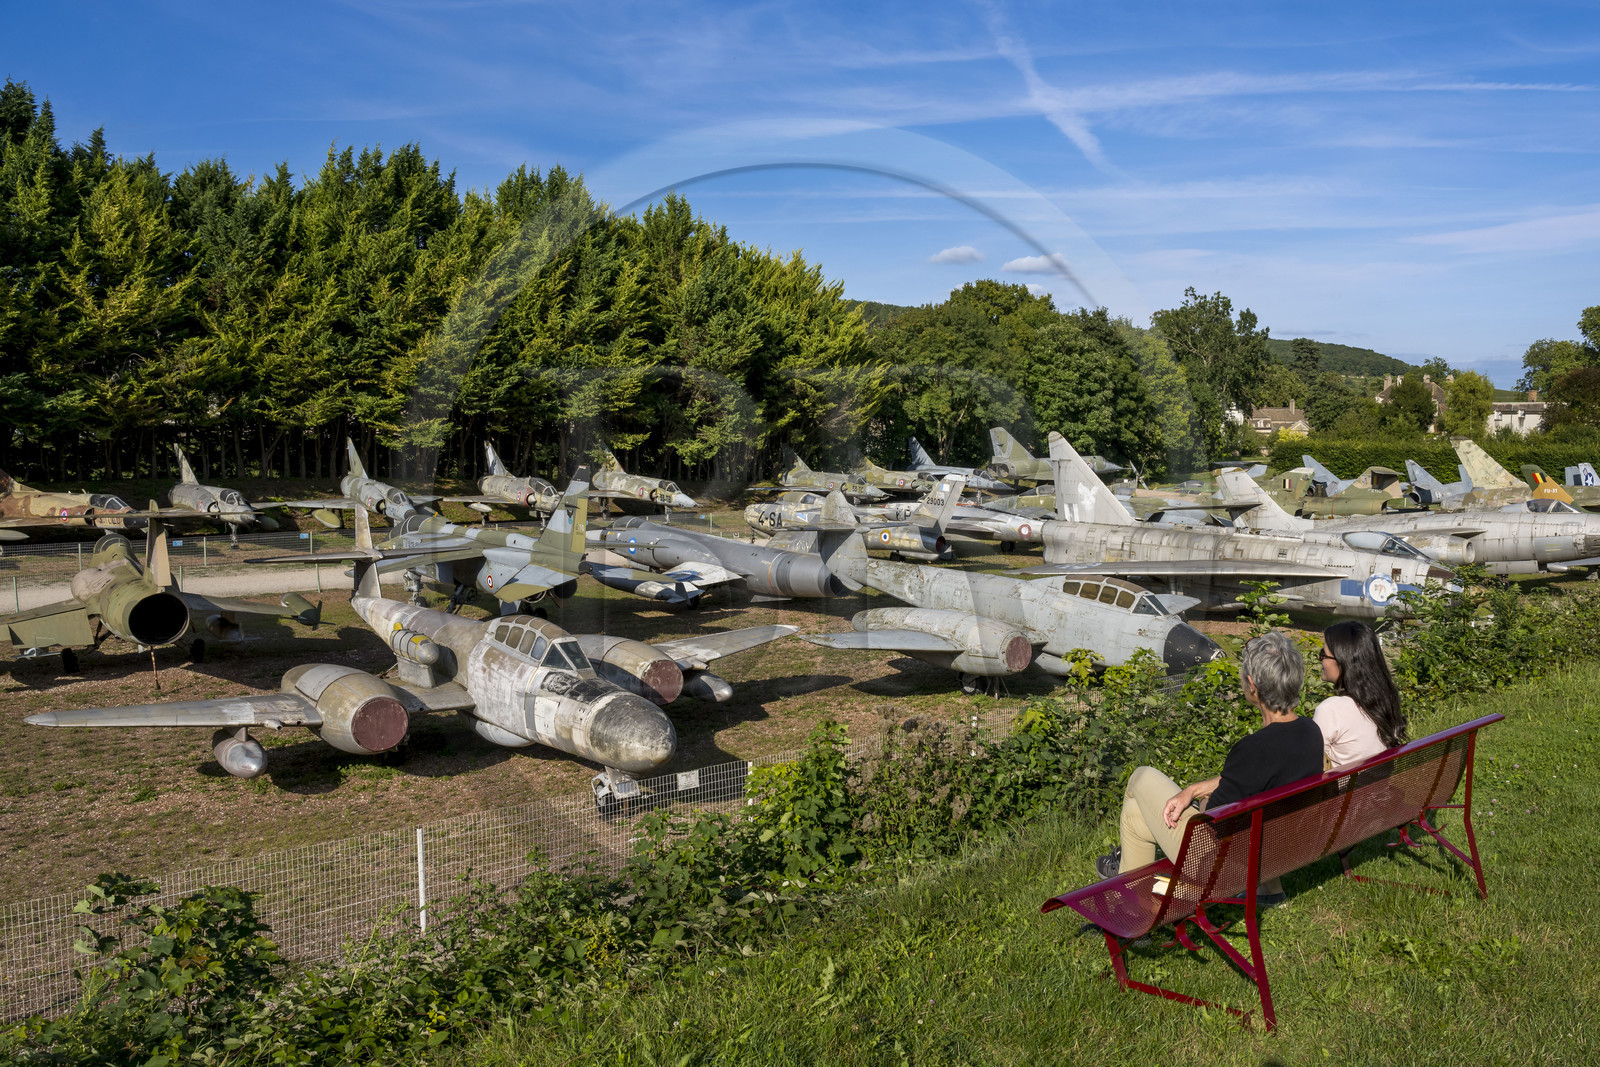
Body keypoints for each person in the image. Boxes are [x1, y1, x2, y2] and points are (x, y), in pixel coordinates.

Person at [1096, 631, 1322, 906]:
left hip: (1223, 864)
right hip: (1282, 851)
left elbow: (1210, 818)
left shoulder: (1252, 748)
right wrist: (1192, 789)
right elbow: (1255, 775)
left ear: (1252, 685)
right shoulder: (1311, 732)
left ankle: (1130, 903)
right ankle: (1134, 905)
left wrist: (1203, 799)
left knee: (1141, 777)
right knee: (1135, 817)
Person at [1314, 620, 1406, 768]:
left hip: (1345, 791)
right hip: (1378, 789)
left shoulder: (1331, 709)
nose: (1320, 659)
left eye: (1323, 654)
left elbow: (1313, 766)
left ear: (1343, 660)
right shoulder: (1386, 700)